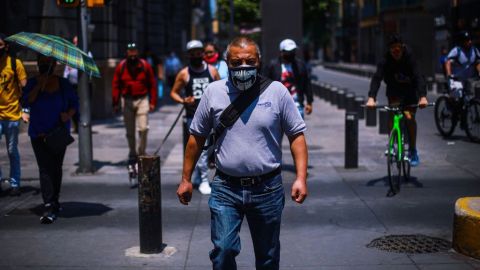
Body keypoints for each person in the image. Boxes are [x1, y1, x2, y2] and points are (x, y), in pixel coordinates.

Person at [176, 36, 308, 269]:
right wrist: (186, 179)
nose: (243, 67)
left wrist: (300, 178)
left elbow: (296, 136)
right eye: (236, 63)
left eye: (249, 62)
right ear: (227, 63)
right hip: (226, 188)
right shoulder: (213, 92)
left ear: (259, 62)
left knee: (268, 256)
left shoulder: (277, 92)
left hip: (267, 188)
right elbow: (195, 138)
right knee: (223, 251)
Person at [22, 54, 79, 223]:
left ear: (54, 65)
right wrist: (40, 85)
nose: (44, 65)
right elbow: (27, 101)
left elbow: (74, 105)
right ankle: (48, 205)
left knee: (56, 167)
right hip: (38, 134)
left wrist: (67, 115)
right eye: (41, 62)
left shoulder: (64, 84)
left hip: (57, 134)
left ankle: (55, 199)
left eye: (47, 63)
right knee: (45, 169)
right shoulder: (33, 83)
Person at [366, 34, 428, 167]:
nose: (396, 51)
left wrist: (423, 96)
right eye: (392, 48)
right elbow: (377, 78)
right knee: (392, 114)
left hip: (411, 91)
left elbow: (418, 76)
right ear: (389, 49)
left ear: (403, 47)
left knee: (409, 116)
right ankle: (392, 144)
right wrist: (372, 97)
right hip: (394, 91)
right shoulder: (385, 60)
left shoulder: (410, 57)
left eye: (398, 48)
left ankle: (412, 150)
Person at [170, 40, 220, 195]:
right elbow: (173, 92)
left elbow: (221, 89)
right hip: (194, 116)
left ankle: (198, 175)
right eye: (193, 53)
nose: (196, 55)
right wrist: (183, 100)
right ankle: (204, 179)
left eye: (199, 52)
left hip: (212, 116)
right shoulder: (184, 73)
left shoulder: (212, 71)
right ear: (189, 55)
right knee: (202, 149)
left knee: (209, 148)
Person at [112, 42, 157, 169]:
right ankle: (132, 152)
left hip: (142, 99)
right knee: (130, 131)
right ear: (126, 52)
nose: (132, 54)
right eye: (130, 51)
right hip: (126, 101)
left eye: (134, 51)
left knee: (143, 128)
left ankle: (141, 153)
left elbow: (152, 84)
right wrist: (115, 103)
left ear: (137, 52)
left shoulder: (145, 65)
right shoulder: (121, 67)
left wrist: (153, 101)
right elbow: (116, 86)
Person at [0, 33, 27, 196]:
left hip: (12, 115)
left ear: (6, 47)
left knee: (12, 151)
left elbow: (25, 87)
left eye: (0, 45)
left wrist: (26, 110)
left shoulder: (15, 64)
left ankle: (15, 182)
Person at [264, 38, 313, 118]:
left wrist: (309, 102)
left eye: (293, 51)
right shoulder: (272, 66)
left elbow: (307, 84)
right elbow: (265, 85)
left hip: (297, 106)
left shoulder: (300, 65)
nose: (291, 53)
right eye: (288, 52)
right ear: (281, 52)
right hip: (277, 107)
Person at [63, 36, 80, 133]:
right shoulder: (70, 55)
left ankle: (80, 125)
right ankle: (77, 125)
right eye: (74, 42)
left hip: (82, 86)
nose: (75, 44)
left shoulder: (86, 54)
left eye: (77, 42)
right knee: (72, 106)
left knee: (78, 106)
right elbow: (66, 70)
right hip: (71, 85)